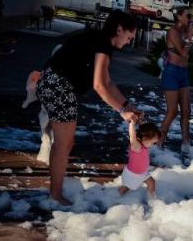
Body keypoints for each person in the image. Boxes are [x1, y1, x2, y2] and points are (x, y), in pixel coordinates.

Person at [34, 10, 142, 205]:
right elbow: (99, 85)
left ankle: (55, 191)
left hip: (52, 83)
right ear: (119, 29)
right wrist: (121, 111)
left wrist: (127, 105)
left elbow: (108, 82)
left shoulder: (98, 40)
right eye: (129, 37)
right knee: (63, 144)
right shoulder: (103, 43)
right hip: (59, 86)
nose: (129, 42)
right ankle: (55, 194)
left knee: (65, 143)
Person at [159, 0, 193, 156]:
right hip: (171, 72)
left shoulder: (188, 26)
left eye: (191, 16)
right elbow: (183, 53)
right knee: (172, 111)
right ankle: (159, 142)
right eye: (188, 15)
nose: (191, 18)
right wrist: (189, 36)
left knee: (186, 111)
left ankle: (186, 143)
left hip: (183, 72)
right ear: (179, 17)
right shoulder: (173, 32)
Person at [119, 121, 161, 197]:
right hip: (133, 175)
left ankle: (152, 199)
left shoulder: (144, 144)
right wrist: (131, 124)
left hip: (142, 173)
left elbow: (143, 129)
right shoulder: (137, 147)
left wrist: (140, 122)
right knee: (125, 188)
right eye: (153, 143)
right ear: (145, 138)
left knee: (152, 183)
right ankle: (115, 198)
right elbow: (132, 137)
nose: (153, 145)